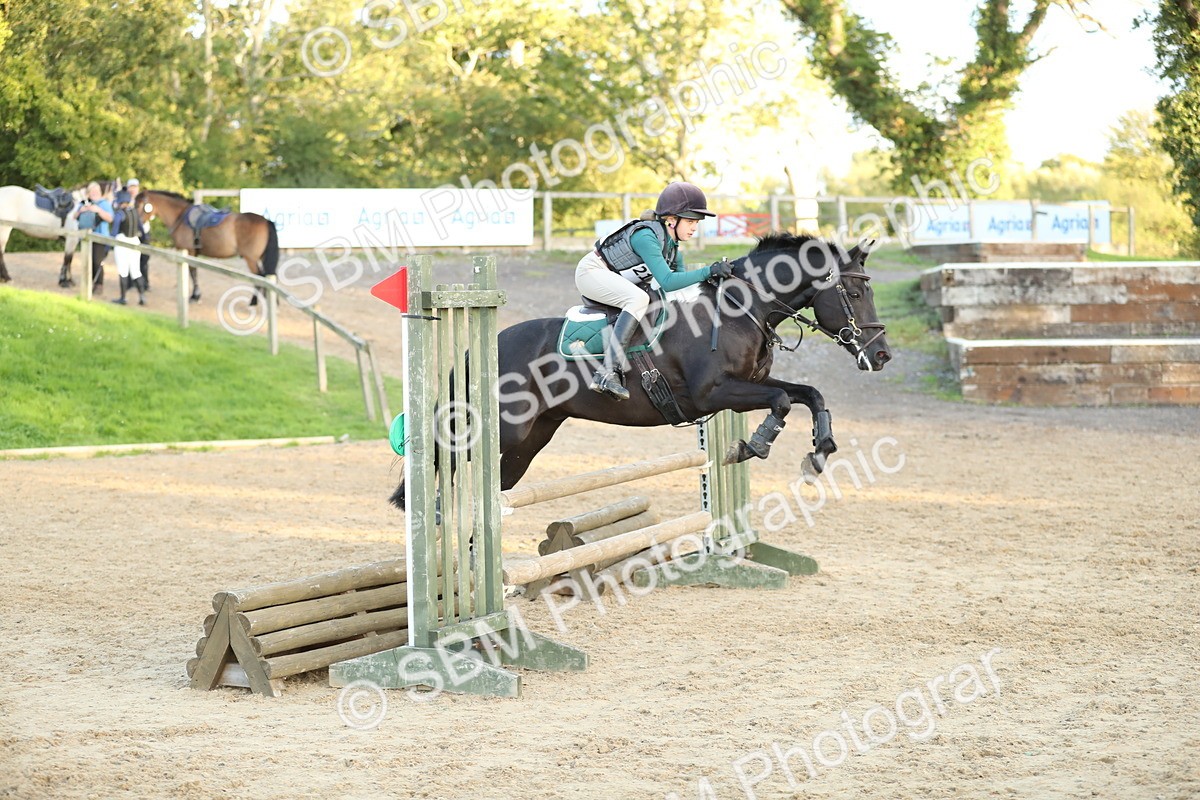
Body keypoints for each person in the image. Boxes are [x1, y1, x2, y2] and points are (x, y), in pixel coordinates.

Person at [576, 181, 734, 400]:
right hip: (591, 272)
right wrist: (709, 270)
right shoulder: (646, 237)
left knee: (653, 302)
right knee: (638, 298)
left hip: (613, 277)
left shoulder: (673, 249)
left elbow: (679, 289)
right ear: (671, 220)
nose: (694, 228)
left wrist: (713, 282)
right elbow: (668, 281)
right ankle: (607, 372)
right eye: (689, 221)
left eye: (696, 223)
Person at [110, 179, 146, 305]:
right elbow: (141, 229)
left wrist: (108, 246)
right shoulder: (135, 212)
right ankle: (142, 297)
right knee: (136, 270)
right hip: (135, 241)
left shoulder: (120, 214)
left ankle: (123, 297)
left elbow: (114, 232)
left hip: (122, 241)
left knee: (123, 270)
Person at [76, 181, 113, 294]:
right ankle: (88, 283)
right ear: (88, 193)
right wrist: (82, 210)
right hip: (87, 237)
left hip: (100, 237)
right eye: (92, 191)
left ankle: (99, 285)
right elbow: (75, 217)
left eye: (96, 191)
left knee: (97, 261)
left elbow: (110, 219)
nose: (95, 193)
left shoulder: (104, 204)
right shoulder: (85, 203)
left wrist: (98, 210)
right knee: (88, 261)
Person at [125, 177, 152, 289]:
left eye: (134, 187)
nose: (133, 189)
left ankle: (145, 282)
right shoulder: (125, 201)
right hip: (130, 233)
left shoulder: (144, 200)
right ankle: (130, 282)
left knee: (144, 258)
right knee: (129, 257)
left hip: (144, 232)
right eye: (131, 187)